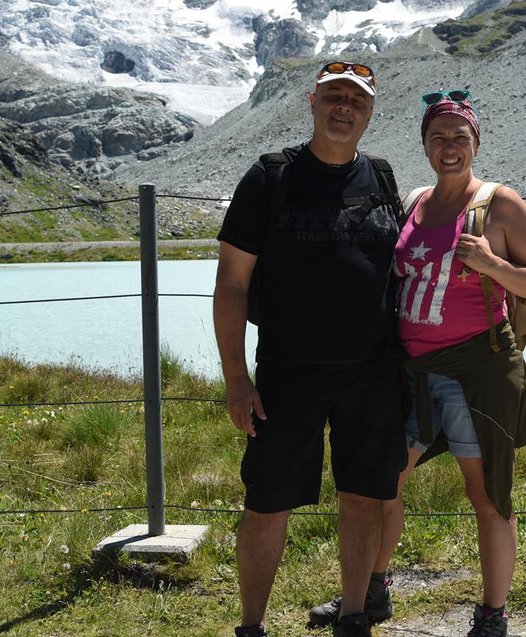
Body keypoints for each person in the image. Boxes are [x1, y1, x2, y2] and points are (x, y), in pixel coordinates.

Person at [310, 89, 526, 637]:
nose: (449, 147)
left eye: (459, 137)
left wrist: (492, 263)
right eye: (438, 137)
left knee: (486, 494)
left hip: (479, 369)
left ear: (476, 142)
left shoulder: (500, 203)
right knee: (382, 483)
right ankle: (373, 590)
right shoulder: (416, 201)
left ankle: (493, 613)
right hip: (410, 371)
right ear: (424, 144)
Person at [213, 61, 408, 637]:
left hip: (372, 372)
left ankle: (353, 617)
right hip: (286, 373)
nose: (343, 107)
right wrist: (236, 379)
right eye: (333, 96)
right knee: (268, 500)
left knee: (365, 495)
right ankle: (252, 624)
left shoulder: (382, 176)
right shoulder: (270, 177)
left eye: (356, 100)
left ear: (369, 113)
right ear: (312, 101)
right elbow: (231, 285)